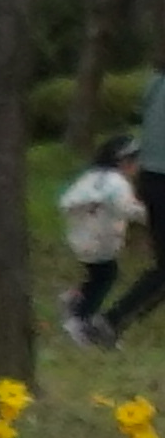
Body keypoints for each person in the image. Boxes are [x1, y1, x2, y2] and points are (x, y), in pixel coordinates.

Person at [69, 136, 150, 347]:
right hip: (99, 240)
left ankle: (75, 299)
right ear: (124, 161)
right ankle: (80, 318)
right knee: (107, 276)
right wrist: (150, 213)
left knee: (99, 275)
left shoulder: (91, 176)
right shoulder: (118, 183)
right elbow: (125, 208)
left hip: (80, 237)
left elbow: (67, 200)